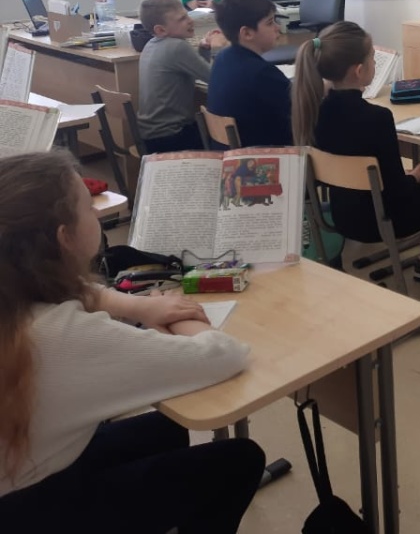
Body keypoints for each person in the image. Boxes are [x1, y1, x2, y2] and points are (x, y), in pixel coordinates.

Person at [0, 151, 264, 533]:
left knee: (168, 428)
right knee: (238, 461)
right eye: (88, 207)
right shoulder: (62, 336)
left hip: (19, 473)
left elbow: (80, 292)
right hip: (32, 510)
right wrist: (179, 316)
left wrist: (139, 307)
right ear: (65, 238)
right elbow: (224, 356)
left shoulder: (13, 291)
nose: (97, 212)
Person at [291, 20, 420, 288]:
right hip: (381, 221)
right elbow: (398, 192)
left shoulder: (313, 112)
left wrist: (413, 178)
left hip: (342, 215)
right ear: (359, 71)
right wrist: (413, 178)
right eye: (372, 58)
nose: (375, 62)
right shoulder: (378, 118)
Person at [137, 0, 224, 154]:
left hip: (151, 136)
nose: (190, 21)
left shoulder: (151, 44)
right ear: (161, 30)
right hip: (172, 136)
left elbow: (197, 71)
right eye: (182, 19)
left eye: (187, 15)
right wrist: (218, 49)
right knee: (227, 135)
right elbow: (217, 79)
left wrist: (204, 48)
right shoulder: (176, 47)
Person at [206, 0, 291, 148]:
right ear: (247, 33)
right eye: (270, 23)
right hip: (263, 155)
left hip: (229, 154)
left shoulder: (223, 58)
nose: (277, 27)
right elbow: (302, 109)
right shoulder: (261, 73)